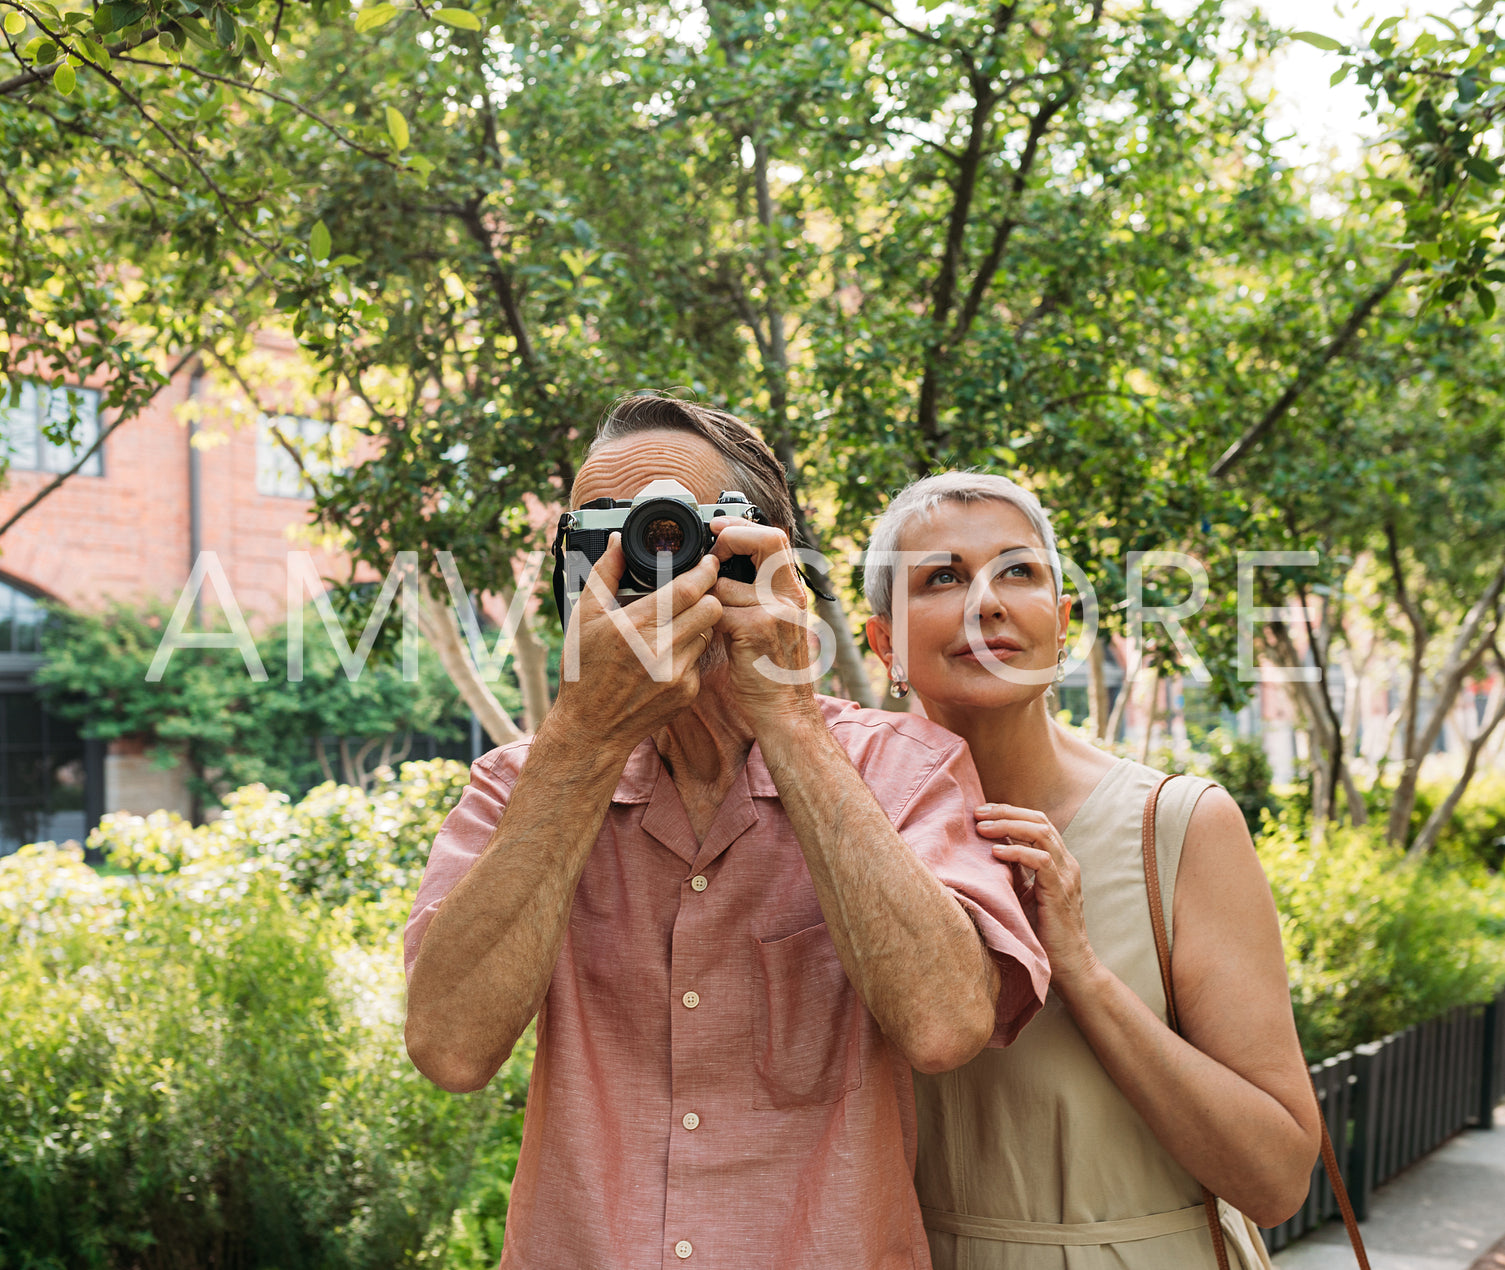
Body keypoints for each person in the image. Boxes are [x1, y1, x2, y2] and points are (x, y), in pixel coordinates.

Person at [403, 399, 1049, 1270]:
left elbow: (943, 1026)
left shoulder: (906, 769)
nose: (649, 564)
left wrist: (786, 712)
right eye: (612, 538)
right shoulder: (521, 785)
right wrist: (585, 740)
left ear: (764, 554)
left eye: (678, 532)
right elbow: (448, 1047)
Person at [862, 471, 1322, 1270]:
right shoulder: (841, 834)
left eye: (1018, 571)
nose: (987, 603)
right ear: (883, 643)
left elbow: (1277, 1179)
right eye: (943, 576)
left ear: (1062, 623)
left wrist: (1079, 968)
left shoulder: (1177, 826)